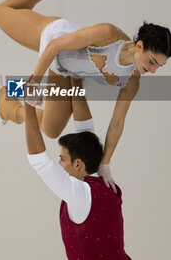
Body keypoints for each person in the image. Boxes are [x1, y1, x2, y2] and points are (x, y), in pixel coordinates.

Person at [0, 0, 171, 189]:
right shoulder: (109, 34)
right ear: (139, 46)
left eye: (159, 67)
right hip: (54, 39)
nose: (152, 70)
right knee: (1, 13)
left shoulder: (132, 82)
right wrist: (34, 81)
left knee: (50, 128)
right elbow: (56, 46)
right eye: (152, 61)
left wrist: (105, 163)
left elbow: (117, 123)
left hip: (66, 73)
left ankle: (8, 102)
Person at [24, 78, 132, 259]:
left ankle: (10, 105)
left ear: (78, 164)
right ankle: (9, 105)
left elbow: (40, 162)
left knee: (44, 121)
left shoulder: (81, 195)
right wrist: (75, 80)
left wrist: (29, 105)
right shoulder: (100, 181)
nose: (58, 164)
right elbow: (86, 130)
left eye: (62, 159)